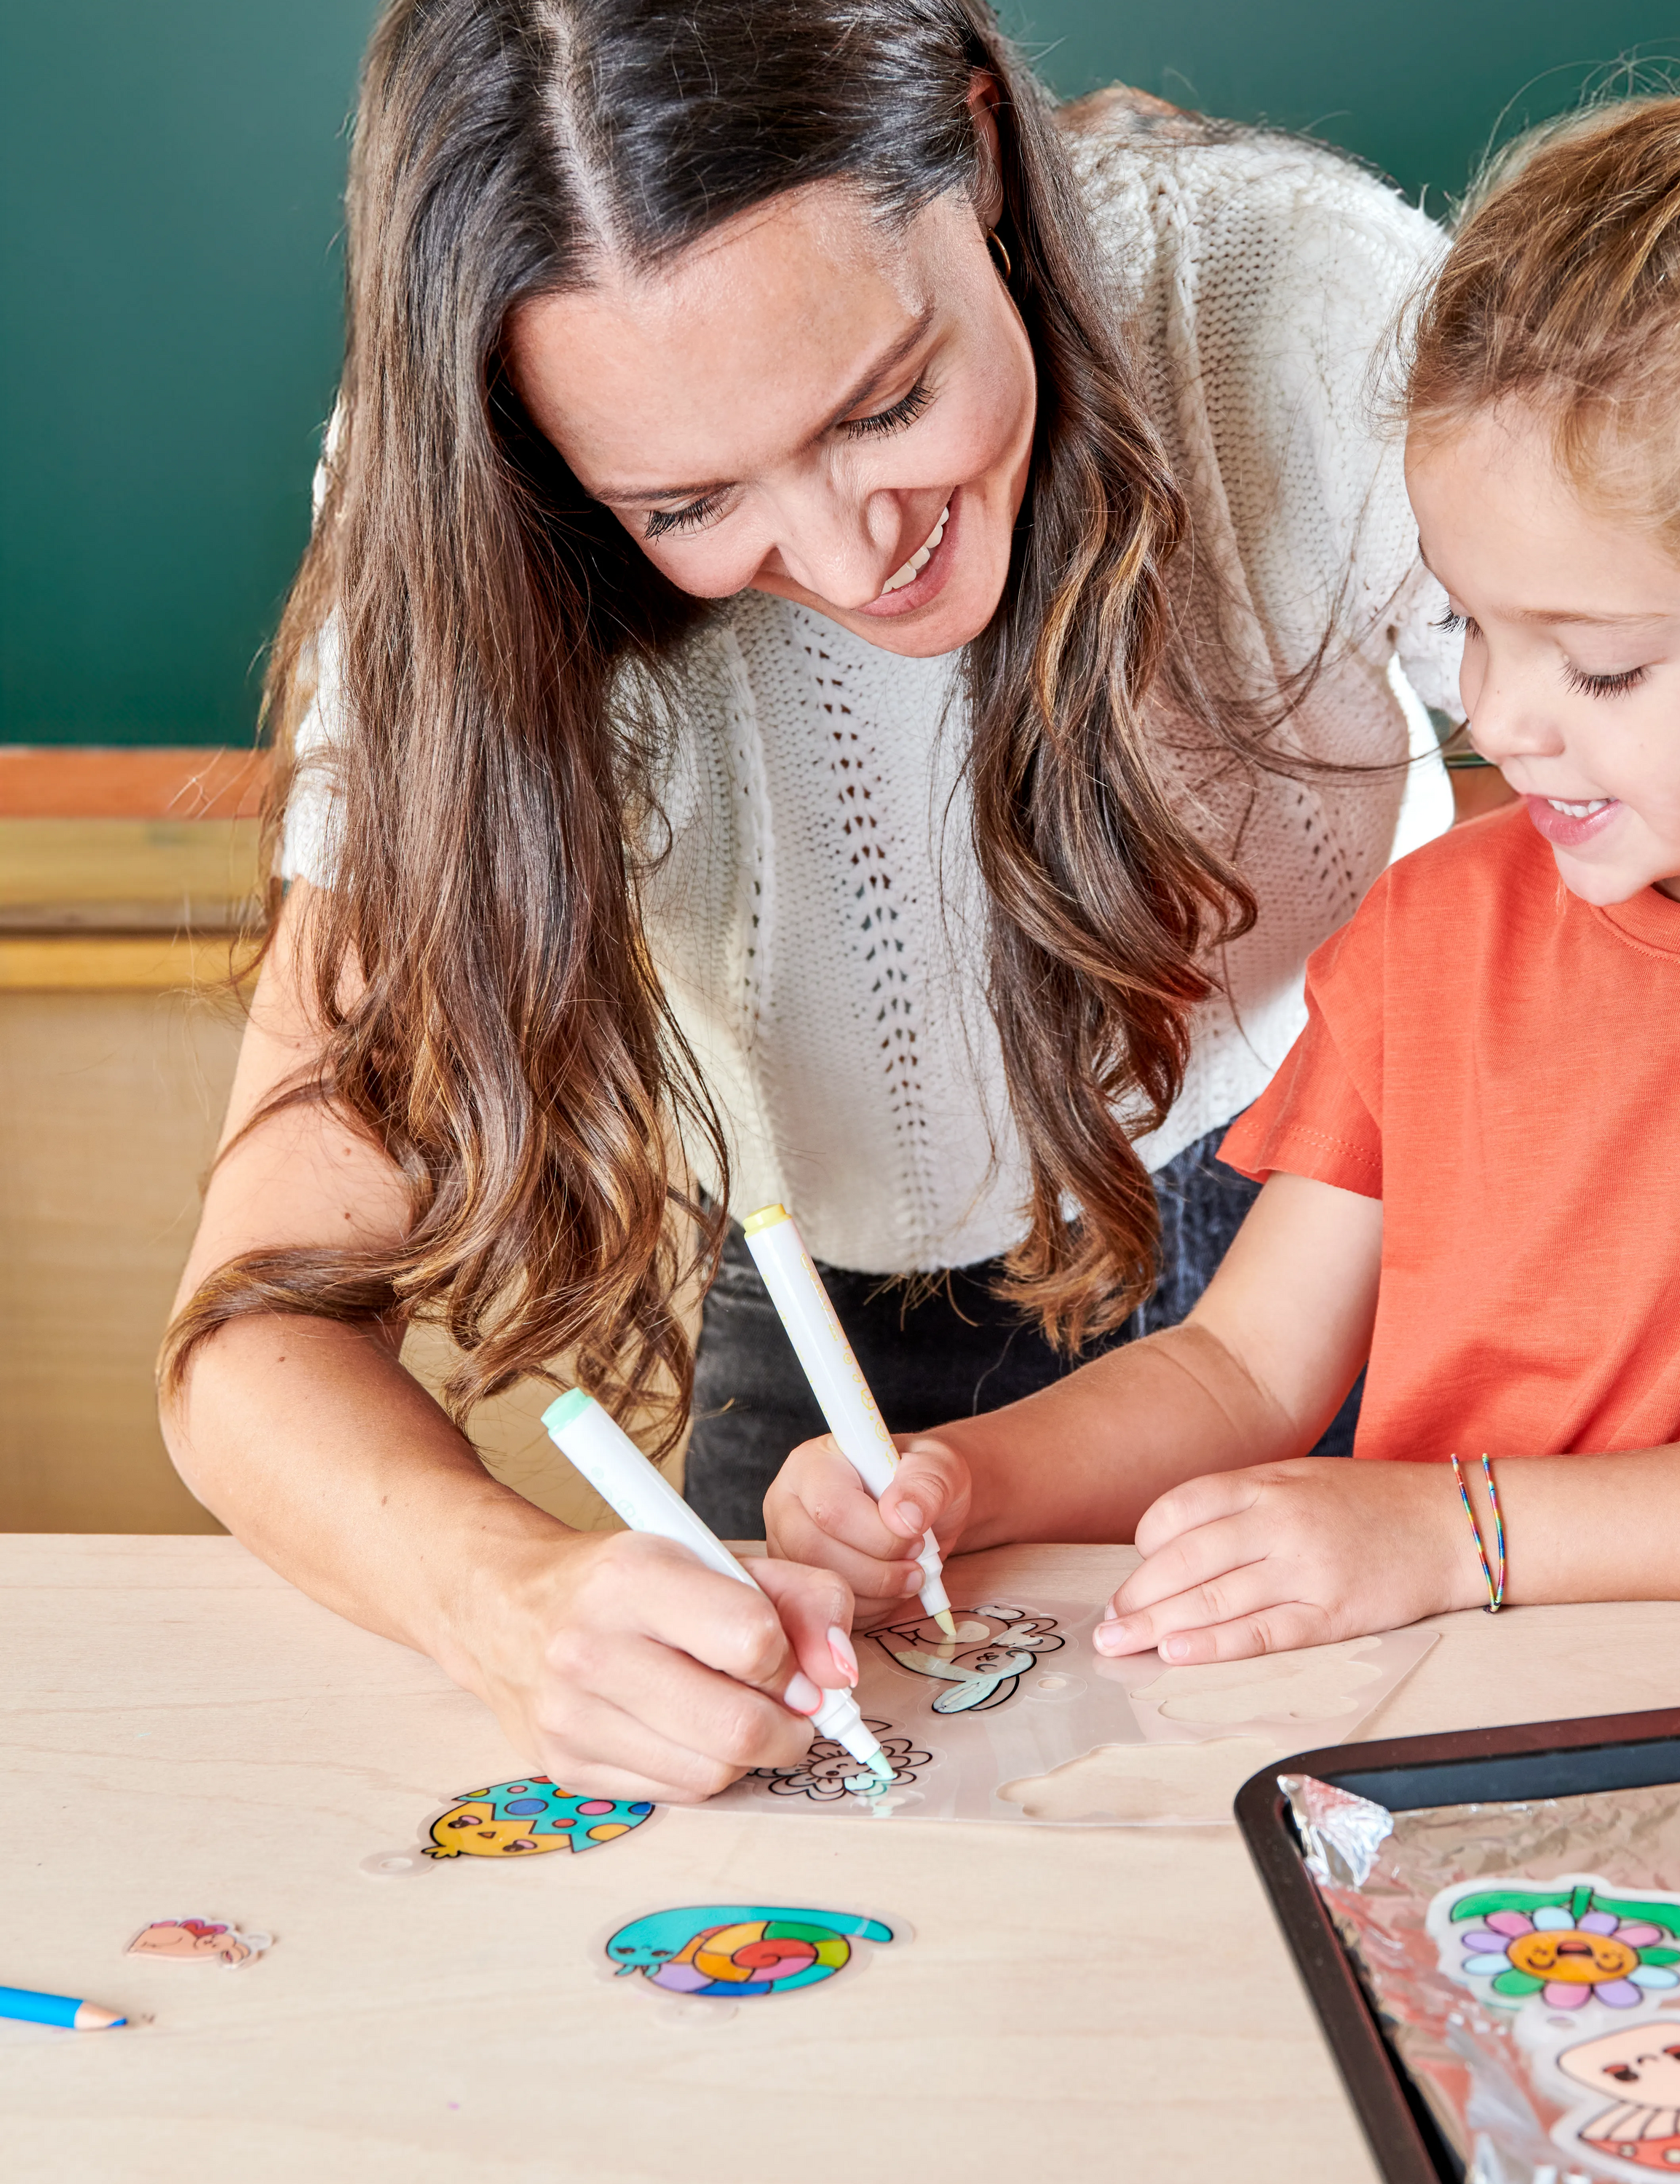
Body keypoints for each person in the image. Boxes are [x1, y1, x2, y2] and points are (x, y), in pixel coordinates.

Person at [159, 0, 1468, 1801]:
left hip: (1336, 1209)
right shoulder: (461, 522)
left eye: (890, 401)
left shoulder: (1298, 305)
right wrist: (517, 1602)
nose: (855, 555)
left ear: (985, 151)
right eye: (687, 504)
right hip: (825, 1289)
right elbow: (251, 1332)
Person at [769, 0, 1680, 1659]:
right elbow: (1243, 1369)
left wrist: (1464, 1532)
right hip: (1474, 1781)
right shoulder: (1439, 930)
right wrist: (965, 1478)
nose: (1498, 721)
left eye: (1600, 664)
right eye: (1471, 625)